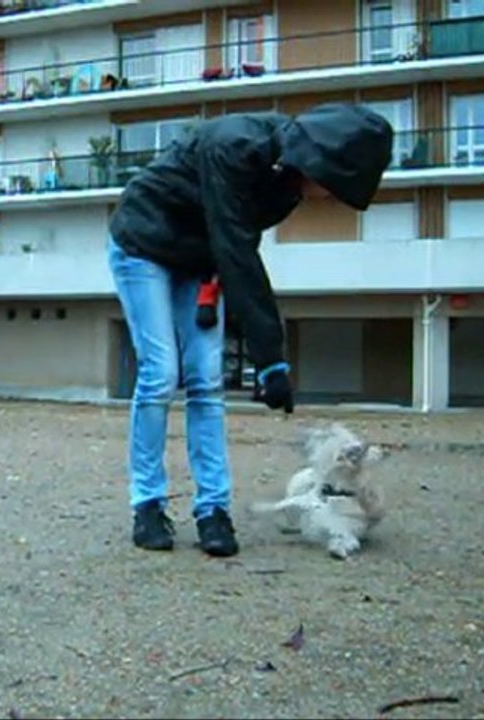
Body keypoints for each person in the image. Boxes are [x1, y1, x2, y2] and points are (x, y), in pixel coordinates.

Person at [107, 102, 393, 557]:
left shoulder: (286, 189)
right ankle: (147, 505)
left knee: (205, 380)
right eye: (336, 188)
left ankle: (212, 511)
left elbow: (235, 246)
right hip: (143, 243)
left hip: (198, 260)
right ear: (322, 162)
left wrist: (265, 356)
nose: (332, 199)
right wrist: (271, 357)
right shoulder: (235, 147)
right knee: (160, 372)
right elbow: (237, 248)